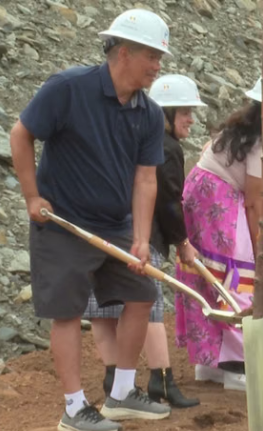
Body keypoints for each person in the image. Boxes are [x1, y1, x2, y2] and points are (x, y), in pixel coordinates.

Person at [9, 9, 173, 431]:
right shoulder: (67, 88)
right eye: (152, 56)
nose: (158, 66)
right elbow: (20, 134)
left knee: (141, 294)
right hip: (62, 221)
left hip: (115, 224)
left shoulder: (149, 113)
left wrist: (140, 239)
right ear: (123, 52)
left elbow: (145, 178)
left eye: (160, 57)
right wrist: (31, 196)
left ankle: (120, 395)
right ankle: (74, 407)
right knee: (66, 313)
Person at [174, 71, 263, 391]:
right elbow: (254, 204)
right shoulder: (260, 141)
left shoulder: (244, 133)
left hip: (202, 195)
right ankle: (236, 365)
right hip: (219, 202)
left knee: (211, 275)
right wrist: (261, 252)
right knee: (239, 275)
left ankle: (212, 363)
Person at [81, 74, 205, 409]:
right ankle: (161, 379)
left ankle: (114, 378)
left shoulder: (122, 135)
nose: (192, 119)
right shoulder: (165, 147)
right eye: (185, 112)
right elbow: (167, 201)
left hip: (101, 231)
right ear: (165, 114)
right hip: (139, 237)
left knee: (102, 308)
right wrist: (182, 242)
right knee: (146, 306)